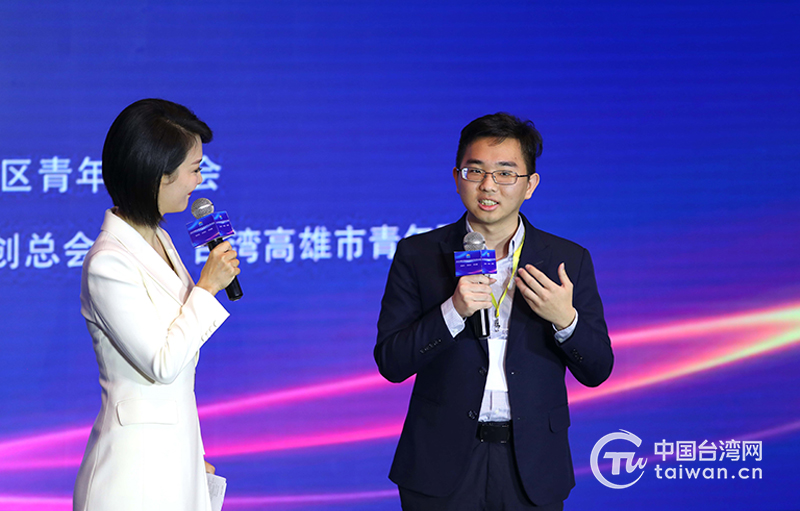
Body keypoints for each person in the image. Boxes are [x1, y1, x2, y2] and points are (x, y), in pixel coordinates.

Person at [375, 112, 614, 510]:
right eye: (475, 171)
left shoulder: (567, 259)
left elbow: (598, 369)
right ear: (457, 178)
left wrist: (564, 320)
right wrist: (453, 311)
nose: (488, 186)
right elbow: (391, 362)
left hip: (532, 464)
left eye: (505, 173)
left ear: (530, 185)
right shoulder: (418, 255)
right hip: (440, 462)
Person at [73, 99, 240, 511]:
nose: (199, 180)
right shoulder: (108, 262)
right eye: (194, 169)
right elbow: (161, 363)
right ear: (158, 175)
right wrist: (206, 288)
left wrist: (192, 452)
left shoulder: (159, 238)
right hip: (133, 474)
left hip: (174, 461)